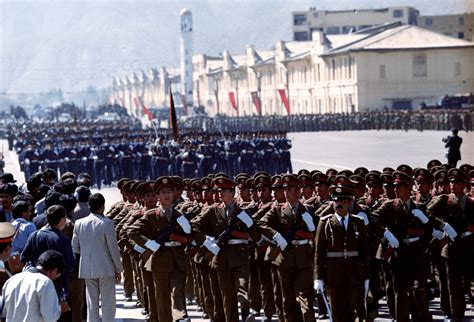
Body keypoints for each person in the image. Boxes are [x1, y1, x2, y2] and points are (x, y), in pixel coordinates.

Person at [314, 183, 369, 321]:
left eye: (343, 200)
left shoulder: (358, 222)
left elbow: (364, 252)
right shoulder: (325, 223)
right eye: (336, 200)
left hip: (355, 273)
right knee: (338, 312)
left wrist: (367, 276)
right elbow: (319, 252)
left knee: (358, 311)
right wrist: (318, 277)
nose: (339, 203)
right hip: (334, 274)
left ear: (350, 202)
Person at [72, 193, 122, 322]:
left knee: (91, 303)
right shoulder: (107, 223)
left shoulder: (79, 223)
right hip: (105, 267)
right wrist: (118, 268)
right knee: (108, 302)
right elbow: (113, 248)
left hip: (87, 268)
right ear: (102, 206)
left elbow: (75, 247)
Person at [2, 250, 67, 321]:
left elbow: (3, 311)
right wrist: (60, 308)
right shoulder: (45, 282)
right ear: (54, 270)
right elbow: (50, 317)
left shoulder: (12, 280)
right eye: (56, 276)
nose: (55, 279)